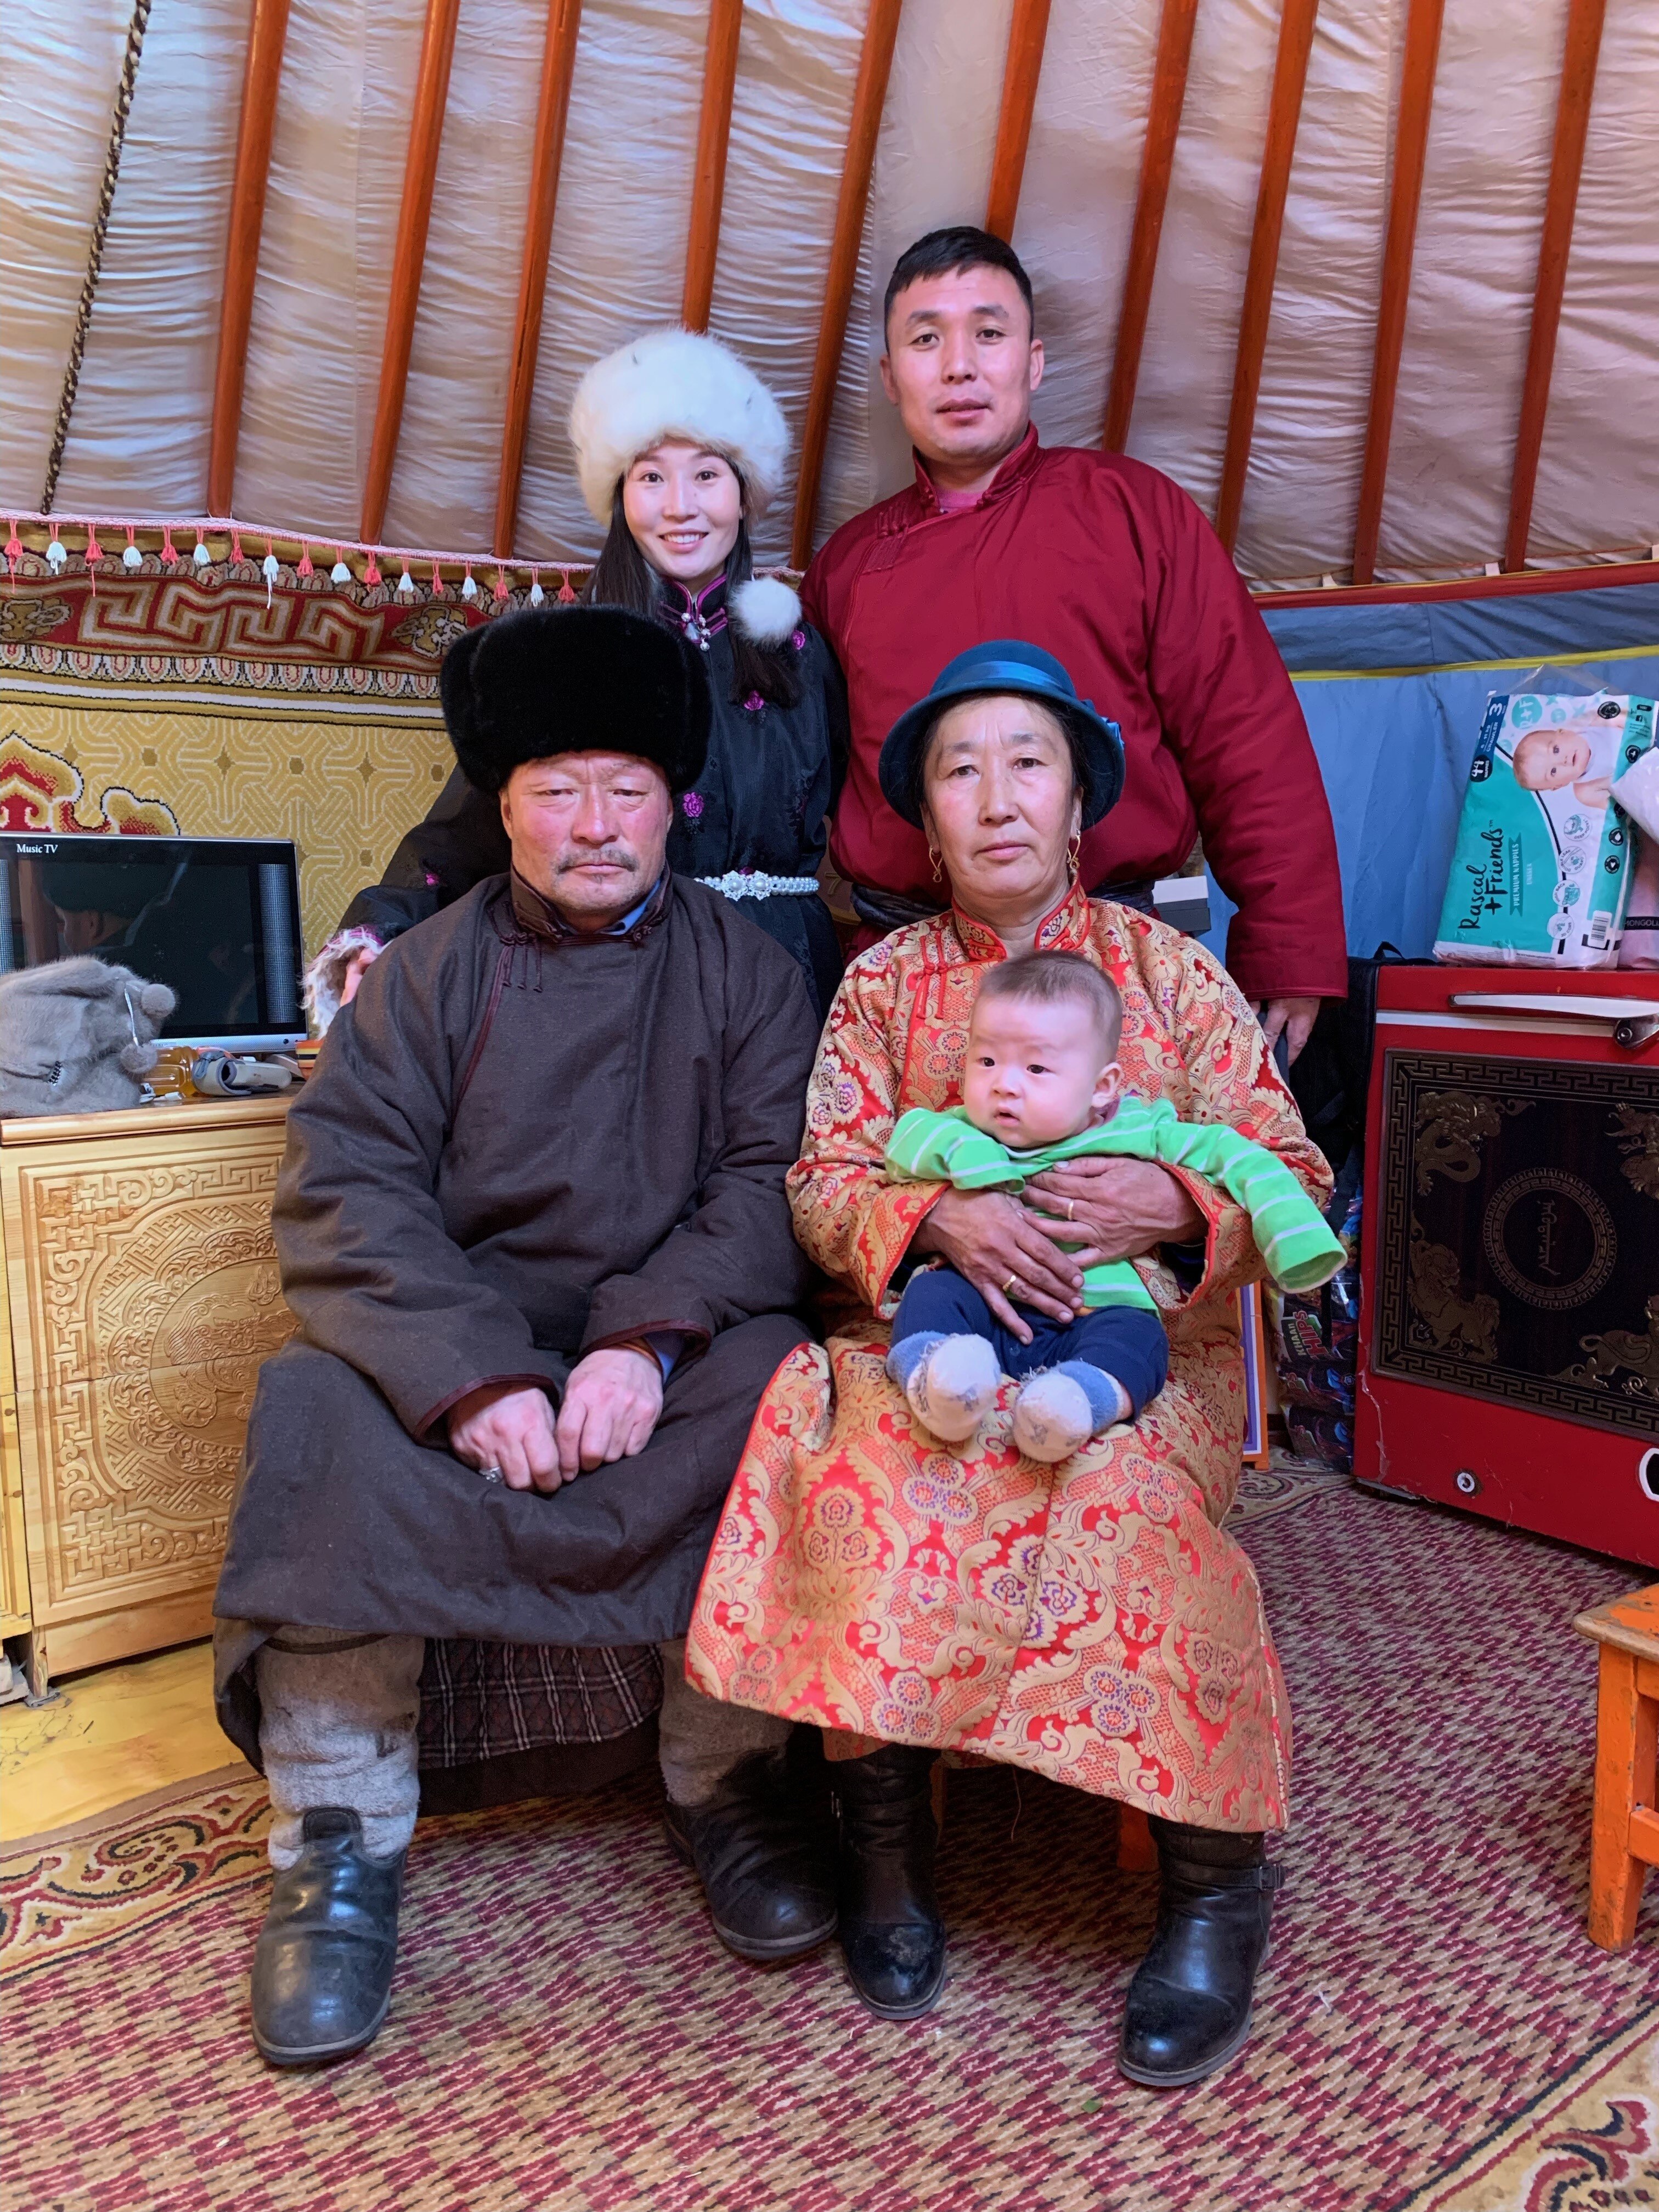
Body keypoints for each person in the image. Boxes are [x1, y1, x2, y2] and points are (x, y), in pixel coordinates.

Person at [686, 639, 1333, 2084]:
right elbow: (818, 1180)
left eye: (1025, 762)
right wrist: (939, 1215)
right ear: (921, 821)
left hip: (1135, 1350)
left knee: (1123, 1510)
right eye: (957, 770)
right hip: (924, 1341)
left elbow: (1289, 1161)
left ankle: (1215, 1881)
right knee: (879, 1481)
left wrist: (1177, 1200)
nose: (994, 799)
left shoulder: (1171, 975)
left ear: (1079, 806)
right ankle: (889, 1861)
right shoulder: (877, 992)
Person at [213, 606, 833, 2068]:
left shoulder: (747, 973)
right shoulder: (424, 974)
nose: (596, 824)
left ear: (671, 804)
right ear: (505, 805)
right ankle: (337, 1834)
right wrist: (473, 1374)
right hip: (468, 1354)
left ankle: (724, 1782)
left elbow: (772, 1183)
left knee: (785, 1387)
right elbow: (348, 1185)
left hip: (654, 1367)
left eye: (626, 788)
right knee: (312, 1405)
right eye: (559, 787)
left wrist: (647, 1344)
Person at [802, 224, 1346, 1064]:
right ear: (889, 376)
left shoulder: (1134, 514)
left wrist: (1288, 945)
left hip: (1119, 965)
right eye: (925, 338)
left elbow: (1245, 734)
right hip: (905, 981)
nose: (959, 365)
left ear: (1035, 361)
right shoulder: (845, 569)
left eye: (989, 333)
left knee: (1119, 1191)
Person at [307, 329, 846, 1028]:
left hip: (787, 980)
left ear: (745, 495)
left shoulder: (802, 648)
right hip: (617, 975)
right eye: (652, 476)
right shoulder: (568, 648)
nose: (680, 506)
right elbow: (464, 837)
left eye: (707, 475)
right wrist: (379, 931)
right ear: (619, 494)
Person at [883, 941, 1344, 1461]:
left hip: (1094, 1310)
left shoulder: (1138, 1129)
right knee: (932, 1296)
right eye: (986, 1060)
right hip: (982, 1308)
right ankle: (942, 1383)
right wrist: (968, 1158)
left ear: (1103, 1088)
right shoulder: (966, 1130)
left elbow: (1238, 1156)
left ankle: (1073, 1404)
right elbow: (904, 1142)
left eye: (1036, 1069)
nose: (1003, 1086)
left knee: (1138, 1338)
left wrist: (1292, 1234)